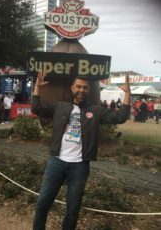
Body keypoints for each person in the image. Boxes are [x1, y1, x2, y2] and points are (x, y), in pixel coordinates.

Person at [31, 71, 131, 230]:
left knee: (72, 210)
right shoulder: (61, 106)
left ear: (89, 90)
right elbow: (36, 107)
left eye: (85, 87)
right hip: (56, 162)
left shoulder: (96, 111)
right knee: (42, 204)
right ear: (72, 88)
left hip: (79, 167)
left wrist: (127, 94)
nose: (81, 90)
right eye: (78, 86)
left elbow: (121, 117)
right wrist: (37, 87)